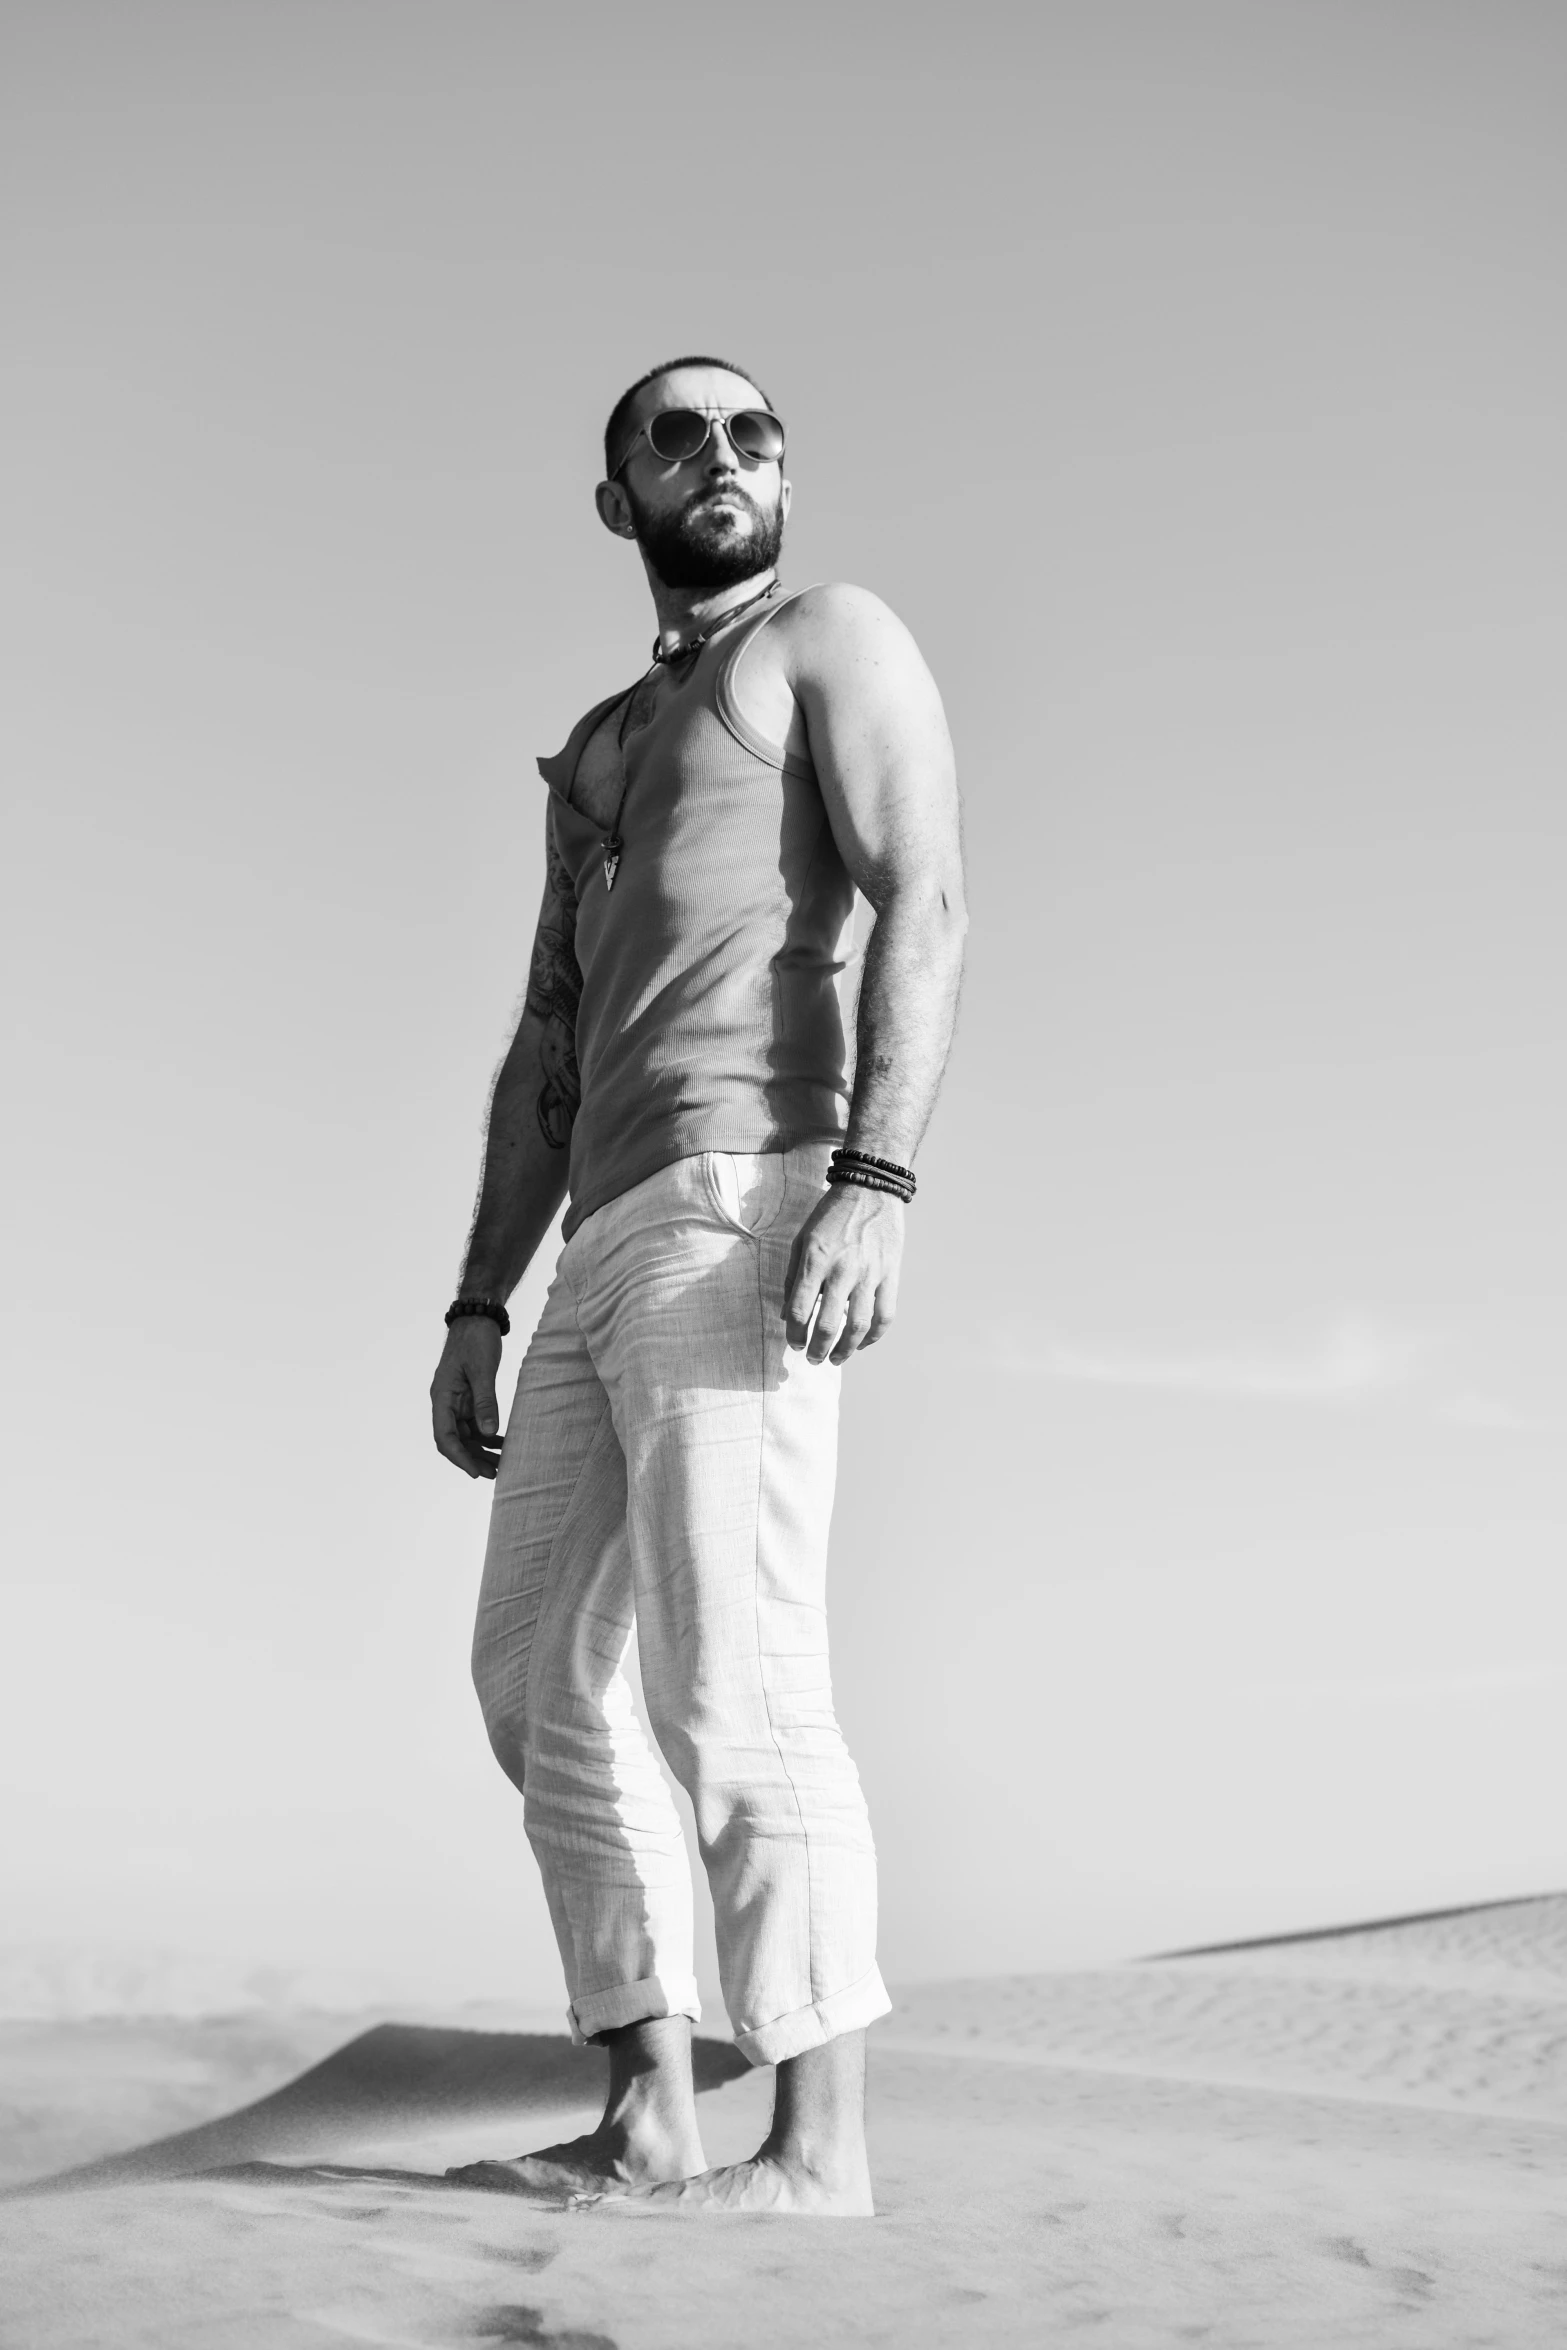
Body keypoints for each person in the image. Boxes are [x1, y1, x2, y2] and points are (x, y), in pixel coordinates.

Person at [429, 355, 965, 2214]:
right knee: (531, 1680)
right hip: (595, 1242)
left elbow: (925, 894)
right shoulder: (595, 748)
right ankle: (651, 2099)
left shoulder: (825, 638)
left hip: (750, 1192)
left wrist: (873, 1181)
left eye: (752, 431)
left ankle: (819, 2148)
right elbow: (545, 1043)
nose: (720, 455)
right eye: (675, 435)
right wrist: (479, 1299)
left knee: (733, 1685)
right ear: (617, 502)